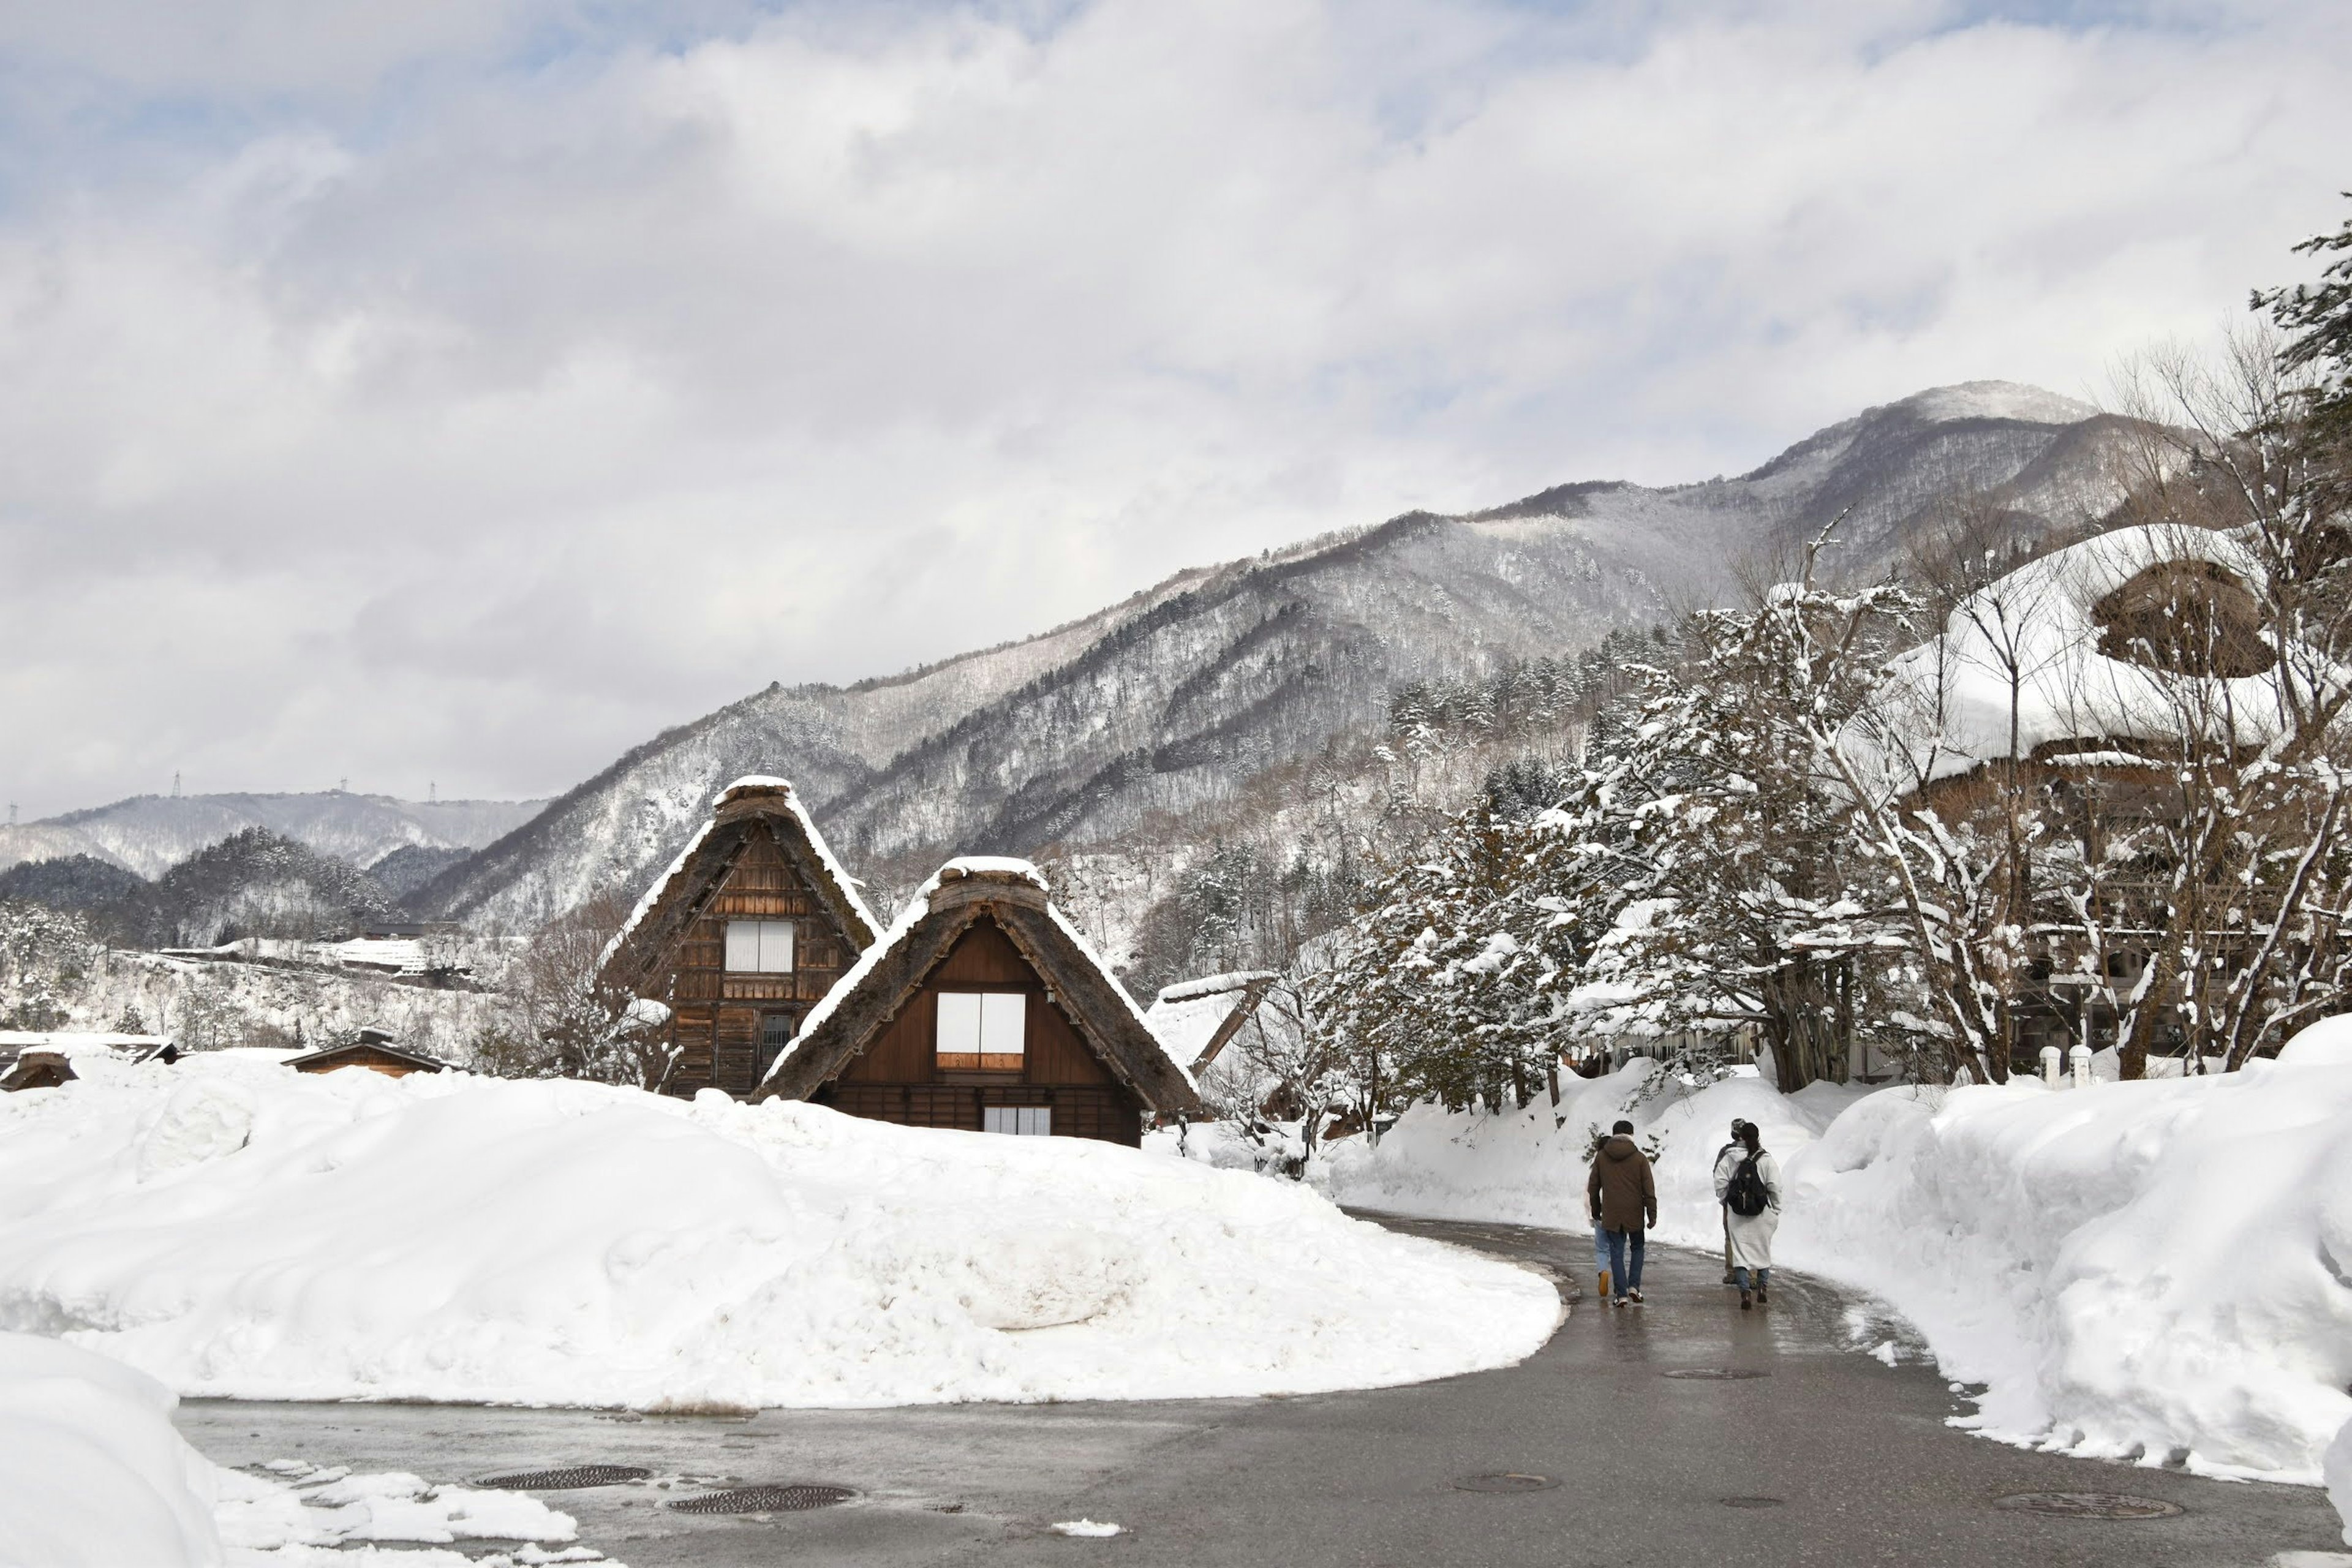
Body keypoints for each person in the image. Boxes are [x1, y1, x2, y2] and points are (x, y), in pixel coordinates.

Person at [1586, 1118, 1657, 1308]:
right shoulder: (1640, 1158)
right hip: (1634, 1212)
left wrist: (1596, 1210)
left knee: (1616, 1252)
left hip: (1612, 1212)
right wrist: (1652, 1214)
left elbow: (1593, 1187)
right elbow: (1649, 1189)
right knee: (1637, 1248)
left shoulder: (1602, 1157)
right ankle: (1634, 1287)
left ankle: (1622, 1294)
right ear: (1631, 1135)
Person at [1713, 1120, 1782, 1310]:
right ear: (1758, 1137)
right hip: (1761, 1212)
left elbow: (1719, 1182)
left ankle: (1744, 1292)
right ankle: (1762, 1288)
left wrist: (1726, 1201)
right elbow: (1775, 1186)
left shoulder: (1729, 1157)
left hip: (1737, 1214)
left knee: (1741, 1253)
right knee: (1763, 1250)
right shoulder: (1766, 1159)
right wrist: (1776, 1208)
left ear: (1740, 1137)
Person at [1713, 1120, 1751, 1285]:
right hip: (1753, 1201)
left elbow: (1718, 1175)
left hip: (1731, 1201)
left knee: (1730, 1236)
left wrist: (1724, 1199)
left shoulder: (1726, 1152)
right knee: (1751, 1236)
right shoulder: (1756, 1151)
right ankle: (1753, 1275)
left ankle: (1732, 1272)